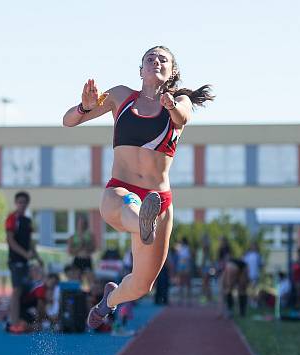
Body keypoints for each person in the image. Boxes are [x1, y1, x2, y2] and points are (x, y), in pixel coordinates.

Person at [62, 46, 213, 329]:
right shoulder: (120, 96)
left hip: (160, 200)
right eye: (150, 59)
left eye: (162, 59)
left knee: (143, 285)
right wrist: (84, 106)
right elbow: (69, 121)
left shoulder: (180, 102)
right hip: (119, 190)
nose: (155, 62)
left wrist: (170, 105)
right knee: (130, 203)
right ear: (141, 69)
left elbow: (182, 116)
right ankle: (142, 219)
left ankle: (109, 301)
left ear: (172, 71)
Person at [6, 191, 39, 334]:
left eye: (24, 202)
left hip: (25, 261)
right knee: (16, 290)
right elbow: (11, 241)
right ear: (16, 203)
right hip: (16, 260)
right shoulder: (12, 218)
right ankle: (13, 323)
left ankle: (19, 320)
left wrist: (37, 257)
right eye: (19, 202)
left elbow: (30, 242)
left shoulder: (28, 220)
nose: (22, 204)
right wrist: (25, 254)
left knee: (24, 291)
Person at [67, 213, 96, 290]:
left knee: (90, 279)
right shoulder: (73, 236)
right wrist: (80, 246)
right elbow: (70, 251)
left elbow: (93, 248)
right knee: (76, 280)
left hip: (87, 259)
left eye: (83, 223)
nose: (81, 225)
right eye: (80, 223)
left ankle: (91, 296)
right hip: (77, 259)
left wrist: (85, 244)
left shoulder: (90, 235)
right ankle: (77, 295)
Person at [243, 240, 263, 307]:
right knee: (249, 289)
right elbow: (244, 264)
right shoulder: (247, 255)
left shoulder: (258, 255)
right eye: (252, 245)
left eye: (254, 246)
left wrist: (260, 272)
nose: (253, 247)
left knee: (255, 290)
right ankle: (249, 302)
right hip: (248, 275)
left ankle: (255, 302)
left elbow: (261, 265)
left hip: (255, 275)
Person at [175, 237, 193, 305]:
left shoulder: (187, 248)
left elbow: (189, 257)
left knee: (186, 283)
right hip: (182, 264)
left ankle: (187, 300)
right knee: (181, 283)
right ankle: (182, 300)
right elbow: (176, 249)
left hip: (184, 264)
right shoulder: (181, 247)